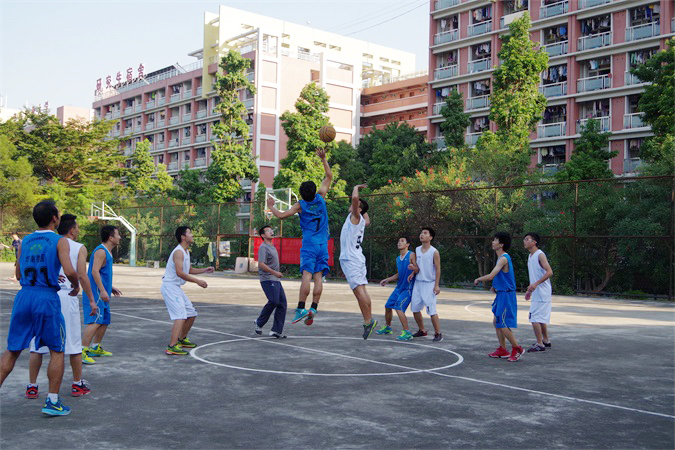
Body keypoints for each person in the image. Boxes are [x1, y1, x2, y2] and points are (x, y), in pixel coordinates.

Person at [0, 201, 80, 416]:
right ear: (55, 218)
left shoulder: (25, 241)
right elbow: (70, 270)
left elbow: (18, 275)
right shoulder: (59, 241)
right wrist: (75, 284)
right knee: (56, 350)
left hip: (24, 296)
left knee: (13, 349)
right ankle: (52, 401)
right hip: (46, 298)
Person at [25, 214, 98, 400]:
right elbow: (81, 275)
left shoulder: (45, 242)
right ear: (72, 230)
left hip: (43, 293)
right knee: (73, 344)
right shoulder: (78, 247)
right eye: (78, 227)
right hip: (66, 295)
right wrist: (91, 299)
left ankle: (32, 386)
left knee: (37, 345)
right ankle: (76, 383)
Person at [267, 148, 332, 326]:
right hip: (323, 244)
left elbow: (280, 215)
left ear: (302, 194)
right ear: (314, 191)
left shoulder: (300, 205)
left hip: (310, 244)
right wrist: (323, 159)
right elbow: (329, 176)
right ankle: (314, 307)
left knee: (306, 275)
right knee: (318, 277)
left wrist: (271, 206)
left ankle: (301, 308)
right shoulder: (321, 197)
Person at [161, 226, 214, 355]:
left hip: (176, 288)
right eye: (190, 233)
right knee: (180, 316)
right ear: (183, 237)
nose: (192, 235)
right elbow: (180, 273)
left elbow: (188, 270)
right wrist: (197, 281)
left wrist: (204, 270)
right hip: (170, 287)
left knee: (191, 313)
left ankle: (182, 339)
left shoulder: (186, 252)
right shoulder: (178, 252)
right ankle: (172, 346)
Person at [474, 232, 525, 362]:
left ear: (501, 244)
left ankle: (517, 348)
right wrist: (495, 286)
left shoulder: (503, 258)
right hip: (502, 293)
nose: (493, 242)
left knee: (502, 323)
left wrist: (479, 279)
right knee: (496, 321)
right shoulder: (501, 258)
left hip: (507, 295)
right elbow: (501, 276)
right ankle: (503, 349)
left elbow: (491, 275)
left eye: (495, 240)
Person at [339, 184, 377, 339]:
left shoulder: (355, 217)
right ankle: (368, 319)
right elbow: (368, 220)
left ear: (359, 210)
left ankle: (368, 320)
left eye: (356, 206)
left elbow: (355, 198)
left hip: (351, 259)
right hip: (358, 257)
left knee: (358, 291)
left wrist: (356, 187)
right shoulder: (361, 220)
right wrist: (364, 209)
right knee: (363, 290)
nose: (352, 204)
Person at [82, 225, 122, 358]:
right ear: (111, 237)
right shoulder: (101, 251)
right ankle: (82, 351)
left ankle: (95, 347)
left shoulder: (107, 252)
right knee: (95, 321)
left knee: (104, 320)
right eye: (117, 234)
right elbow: (94, 271)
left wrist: (110, 288)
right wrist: (103, 290)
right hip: (96, 293)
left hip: (102, 292)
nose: (119, 237)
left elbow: (102, 273)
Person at [377, 236, 415, 341]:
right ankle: (388, 327)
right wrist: (388, 279)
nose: (399, 242)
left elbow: (418, 268)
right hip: (398, 288)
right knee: (388, 306)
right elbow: (399, 274)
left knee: (398, 308)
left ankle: (407, 332)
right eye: (398, 241)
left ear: (407, 245)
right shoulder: (398, 258)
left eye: (402, 241)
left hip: (408, 289)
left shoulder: (411, 255)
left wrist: (412, 272)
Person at [409, 228, 443, 342]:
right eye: (421, 233)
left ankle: (438, 333)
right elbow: (418, 267)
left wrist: (436, 285)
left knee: (431, 310)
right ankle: (422, 330)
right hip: (418, 283)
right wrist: (413, 272)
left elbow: (438, 269)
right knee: (415, 308)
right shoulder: (417, 250)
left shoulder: (434, 251)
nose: (422, 235)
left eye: (425, 233)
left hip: (430, 284)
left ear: (430, 237)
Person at [254, 225, 287, 339]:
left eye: (271, 230)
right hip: (267, 279)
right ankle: (259, 322)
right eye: (268, 231)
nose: (271, 231)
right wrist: (274, 273)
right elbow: (261, 264)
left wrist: (276, 275)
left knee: (282, 303)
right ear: (263, 235)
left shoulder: (272, 247)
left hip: (275, 279)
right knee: (273, 301)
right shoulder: (263, 247)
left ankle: (276, 330)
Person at [523, 232, 554, 352]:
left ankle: (539, 344)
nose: (524, 241)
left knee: (534, 318)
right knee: (540, 318)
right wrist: (529, 290)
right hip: (537, 292)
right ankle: (546, 341)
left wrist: (535, 284)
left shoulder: (540, 255)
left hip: (542, 291)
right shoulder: (530, 256)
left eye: (527, 239)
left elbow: (549, 272)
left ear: (534, 242)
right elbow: (534, 276)